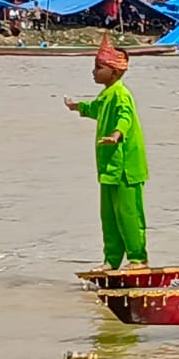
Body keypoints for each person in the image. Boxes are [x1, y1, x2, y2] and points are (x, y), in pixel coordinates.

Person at [64, 33, 148, 269]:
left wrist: (116, 134)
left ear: (115, 71)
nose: (94, 72)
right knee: (109, 218)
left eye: (98, 68)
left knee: (129, 215)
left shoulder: (121, 94)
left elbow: (125, 117)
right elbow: (95, 109)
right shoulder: (107, 94)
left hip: (125, 167)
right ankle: (111, 260)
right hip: (109, 167)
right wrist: (76, 107)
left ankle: (138, 258)